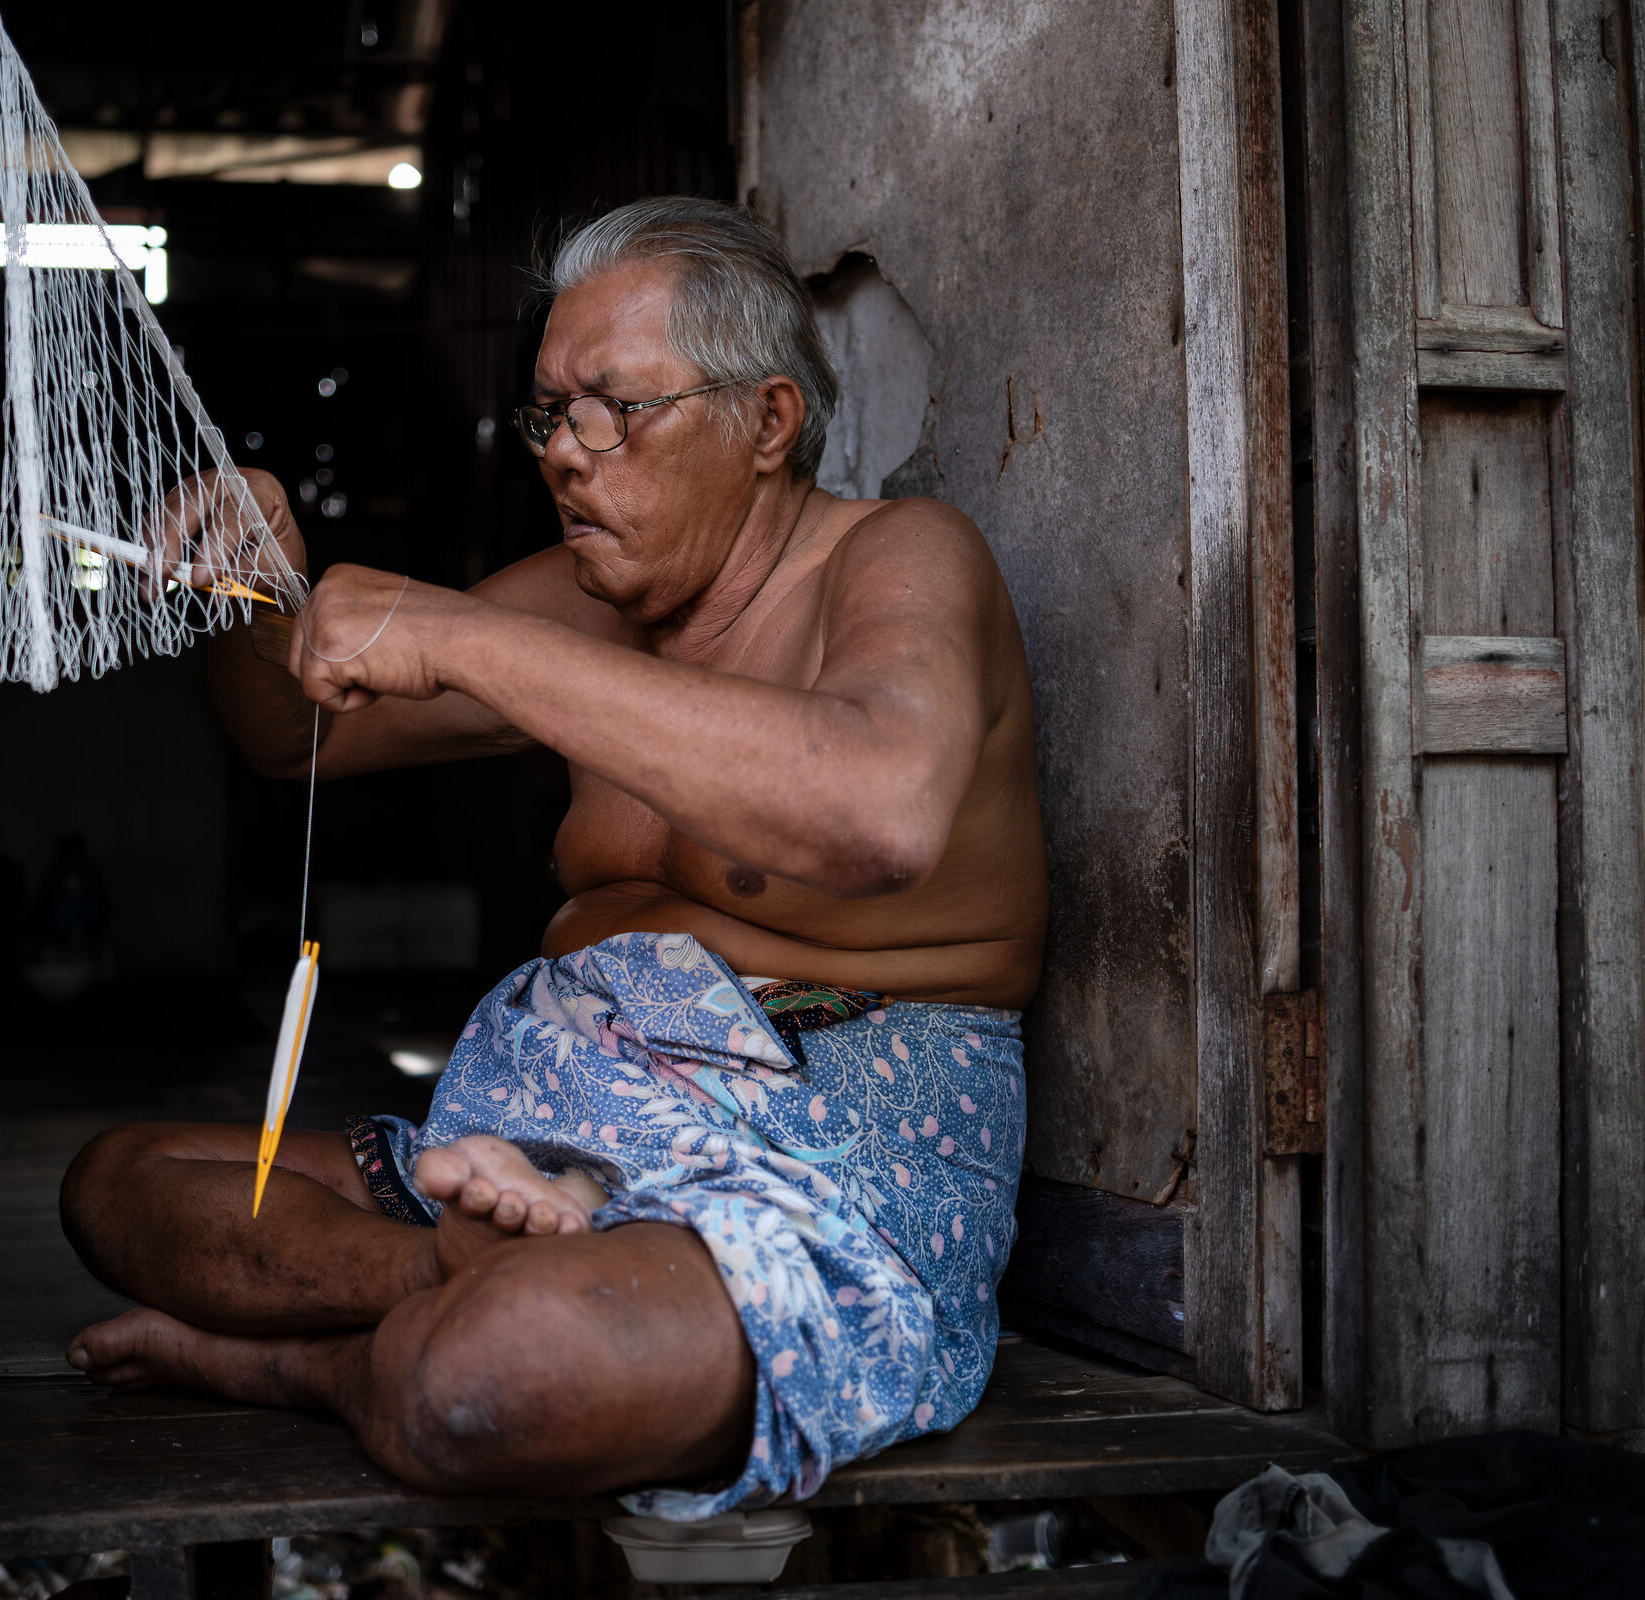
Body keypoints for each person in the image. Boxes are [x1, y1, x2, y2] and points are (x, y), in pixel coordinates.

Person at [59, 196, 1047, 1518]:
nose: (568, 457)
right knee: (118, 1187)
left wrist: (461, 636)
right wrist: (266, 579)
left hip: (823, 1150)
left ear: (768, 422)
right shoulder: (591, 601)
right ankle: (440, 1272)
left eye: (615, 410)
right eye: (547, 415)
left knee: (495, 1380)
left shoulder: (904, 556)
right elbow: (291, 740)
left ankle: (312, 1367)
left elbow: (876, 810)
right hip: (529, 1144)